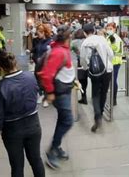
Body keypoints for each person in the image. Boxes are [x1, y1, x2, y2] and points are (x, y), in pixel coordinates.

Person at [0, 52, 45, 177]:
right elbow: (37, 93)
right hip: (34, 124)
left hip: (12, 130)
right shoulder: (30, 77)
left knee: (17, 165)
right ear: (15, 63)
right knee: (36, 160)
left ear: (2, 69)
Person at [37, 25, 75, 170]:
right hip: (60, 93)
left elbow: (64, 70)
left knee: (62, 119)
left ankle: (56, 146)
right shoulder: (58, 52)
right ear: (67, 37)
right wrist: (51, 92)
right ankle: (52, 149)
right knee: (68, 121)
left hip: (64, 89)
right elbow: (47, 75)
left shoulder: (61, 49)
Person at [80, 23, 114, 133]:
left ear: (84, 33)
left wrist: (86, 68)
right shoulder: (102, 39)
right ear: (94, 30)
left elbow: (83, 59)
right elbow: (111, 54)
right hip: (107, 70)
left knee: (95, 94)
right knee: (103, 93)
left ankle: (97, 116)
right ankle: (101, 111)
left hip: (94, 72)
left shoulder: (84, 43)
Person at [32, 23, 53, 107]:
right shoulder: (39, 41)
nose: (38, 34)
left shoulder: (50, 42)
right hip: (38, 65)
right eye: (37, 33)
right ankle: (41, 95)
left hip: (46, 65)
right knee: (38, 80)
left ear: (44, 32)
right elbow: (35, 50)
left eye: (39, 33)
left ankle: (46, 97)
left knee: (45, 81)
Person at [106, 23, 123, 106]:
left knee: (113, 80)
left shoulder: (116, 38)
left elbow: (117, 51)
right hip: (109, 62)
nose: (109, 30)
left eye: (110, 28)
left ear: (114, 29)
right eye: (108, 28)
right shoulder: (108, 37)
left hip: (115, 62)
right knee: (110, 80)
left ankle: (114, 99)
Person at [71, 29, 89, 105]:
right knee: (84, 81)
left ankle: (74, 97)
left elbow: (70, 51)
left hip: (76, 64)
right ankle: (84, 97)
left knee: (76, 80)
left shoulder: (73, 42)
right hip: (85, 63)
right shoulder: (87, 41)